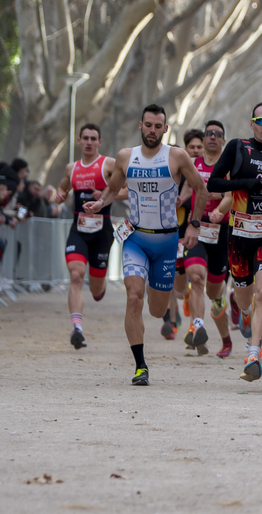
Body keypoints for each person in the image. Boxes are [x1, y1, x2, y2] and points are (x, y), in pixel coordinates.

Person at [84, 104, 205, 385]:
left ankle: (166, 305)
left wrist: (194, 225)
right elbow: (114, 189)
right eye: (148, 125)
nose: (153, 130)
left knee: (157, 309)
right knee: (134, 296)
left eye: (158, 126)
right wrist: (100, 202)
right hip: (135, 238)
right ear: (140, 126)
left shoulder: (176, 156)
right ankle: (140, 366)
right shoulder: (126, 157)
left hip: (166, 242)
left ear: (165, 129)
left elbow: (201, 188)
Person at [207, 102, 262, 382]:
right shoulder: (237, 146)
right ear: (252, 123)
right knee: (246, 298)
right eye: (261, 121)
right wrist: (244, 183)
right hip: (239, 233)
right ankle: (242, 311)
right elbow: (213, 183)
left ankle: (253, 353)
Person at [54, 123, 116, 349]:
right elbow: (62, 188)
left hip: (102, 232)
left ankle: (99, 288)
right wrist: (60, 195)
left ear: (100, 142)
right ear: (79, 141)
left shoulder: (108, 164)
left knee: (96, 289)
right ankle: (77, 328)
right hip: (78, 230)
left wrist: (107, 194)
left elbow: (127, 189)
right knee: (77, 276)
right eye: (85, 138)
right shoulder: (72, 168)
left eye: (93, 138)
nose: (89, 142)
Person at [195, 120, 235, 358]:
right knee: (196, 278)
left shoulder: (228, 165)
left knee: (215, 294)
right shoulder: (193, 164)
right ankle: (200, 329)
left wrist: (220, 205)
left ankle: (228, 338)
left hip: (223, 233)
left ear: (223, 140)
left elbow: (232, 194)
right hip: (198, 230)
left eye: (217, 134)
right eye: (208, 133)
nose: (212, 137)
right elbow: (186, 189)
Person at [174, 130, 213, 353]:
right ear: (185, 149)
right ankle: (187, 297)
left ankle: (196, 330)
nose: (196, 150)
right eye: (193, 147)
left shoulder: (201, 175)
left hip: (196, 233)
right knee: (180, 290)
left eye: (200, 147)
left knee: (197, 278)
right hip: (175, 233)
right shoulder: (176, 171)